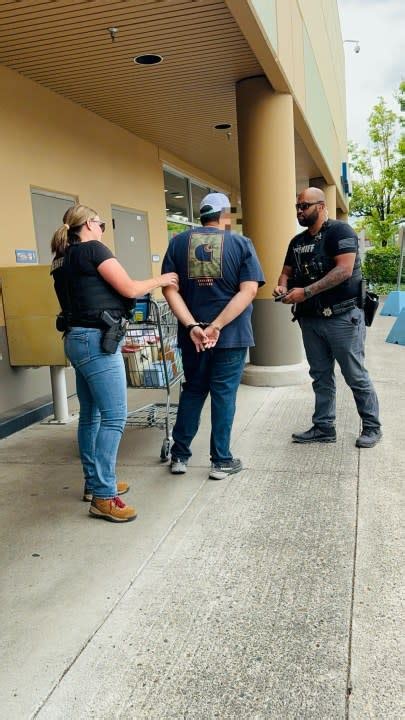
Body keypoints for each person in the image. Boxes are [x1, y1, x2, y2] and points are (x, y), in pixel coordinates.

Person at [50, 204, 178, 522]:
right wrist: (162, 279)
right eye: (101, 223)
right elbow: (129, 288)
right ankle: (104, 497)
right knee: (113, 417)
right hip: (96, 341)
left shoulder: (61, 259)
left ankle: (96, 485)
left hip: (76, 339)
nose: (103, 228)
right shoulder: (93, 249)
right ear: (89, 225)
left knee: (91, 416)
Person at [161, 192, 265, 479]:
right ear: (224, 216)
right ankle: (221, 461)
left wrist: (193, 326)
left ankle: (179, 456)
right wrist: (216, 326)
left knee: (193, 391)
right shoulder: (241, 244)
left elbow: (170, 289)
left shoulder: (178, 243)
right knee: (224, 395)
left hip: (192, 337)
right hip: (230, 337)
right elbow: (249, 290)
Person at [273, 187, 381, 448]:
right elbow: (285, 273)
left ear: (321, 206)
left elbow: (343, 270)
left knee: (354, 374)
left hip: (342, 317)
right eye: (297, 207)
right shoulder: (297, 242)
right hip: (310, 320)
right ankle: (323, 427)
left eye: (304, 206)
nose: (299, 211)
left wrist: (305, 292)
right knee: (320, 376)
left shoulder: (340, 232)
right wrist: (282, 287)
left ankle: (372, 427)